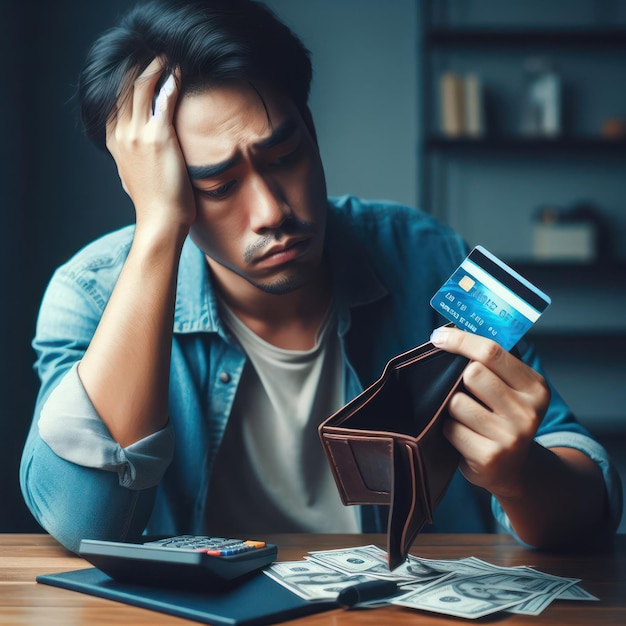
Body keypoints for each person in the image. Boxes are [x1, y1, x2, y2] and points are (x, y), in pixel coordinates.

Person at [20, 0, 621, 554]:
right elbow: (85, 523)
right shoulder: (92, 295)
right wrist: (157, 230)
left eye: (285, 157)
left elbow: (588, 500)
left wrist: (521, 476)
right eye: (217, 186)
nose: (272, 212)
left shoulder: (424, 256)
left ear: (310, 128)